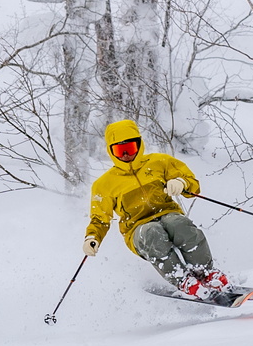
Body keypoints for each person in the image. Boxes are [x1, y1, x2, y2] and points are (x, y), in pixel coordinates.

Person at [82, 119, 232, 299]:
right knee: (152, 232)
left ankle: (206, 273)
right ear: (111, 151)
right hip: (136, 229)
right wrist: (93, 237)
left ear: (139, 144)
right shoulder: (104, 185)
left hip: (167, 213)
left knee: (180, 225)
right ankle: (184, 280)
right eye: (119, 151)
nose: (126, 155)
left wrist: (181, 182)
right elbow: (100, 218)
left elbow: (193, 186)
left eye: (129, 148)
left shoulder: (159, 162)